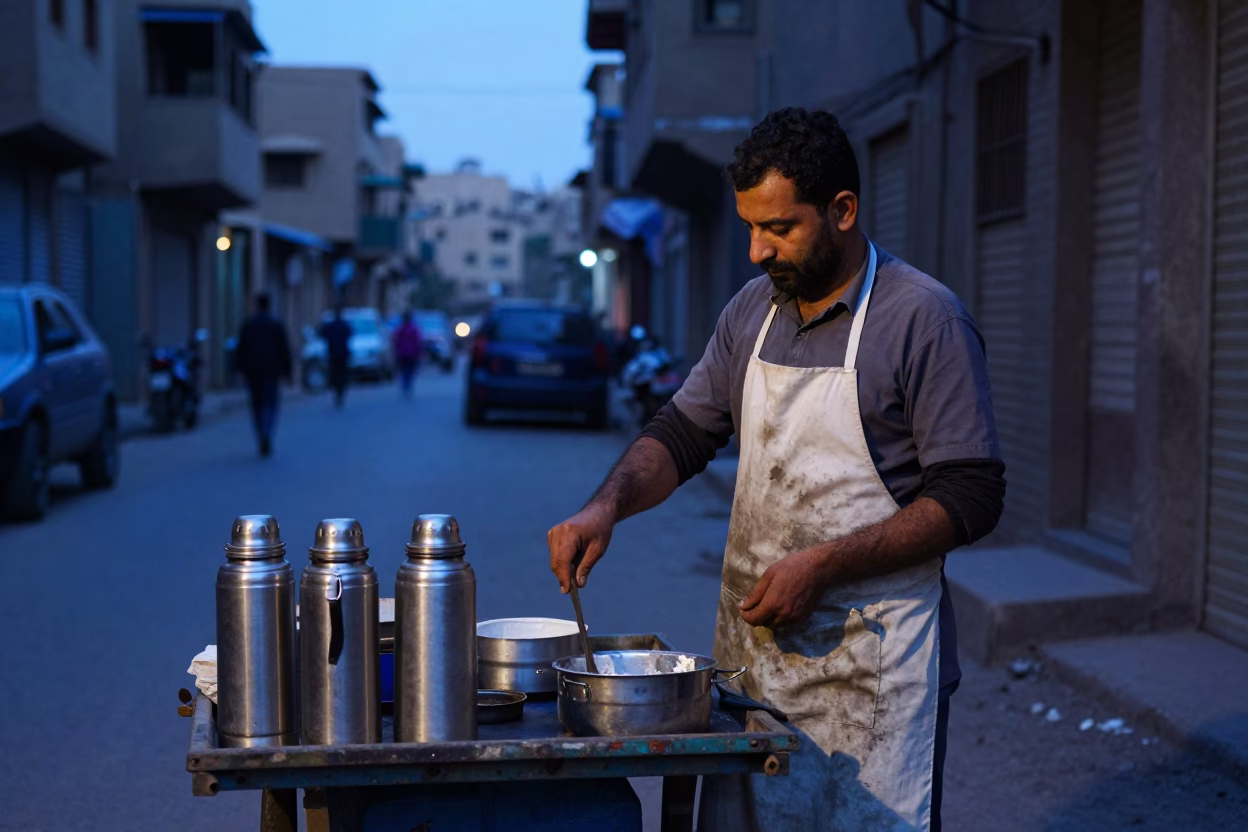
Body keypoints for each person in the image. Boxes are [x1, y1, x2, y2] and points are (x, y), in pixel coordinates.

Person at [547, 108, 1005, 831]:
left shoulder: (925, 320)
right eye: (750, 227)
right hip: (753, 673)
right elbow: (682, 433)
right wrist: (605, 507)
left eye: (780, 228)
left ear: (843, 210)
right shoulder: (751, 313)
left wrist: (823, 565)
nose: (758, 250)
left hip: (876, 675)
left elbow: (973, 494)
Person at [233, 293, 292, 457]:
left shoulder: (249, 324)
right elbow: (284, 349)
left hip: (253, 372)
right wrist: (288, 372)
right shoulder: (276, 325)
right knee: (270, 404)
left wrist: (238, 370)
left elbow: (241, 350)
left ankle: (261, 434)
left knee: (257, 405)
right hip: (271, 372)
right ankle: (267, 432)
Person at [319, 304, 352, 408]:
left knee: (335, 374)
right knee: (341, 374)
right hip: (342, 354)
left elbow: (322, 334)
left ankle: (337, 393)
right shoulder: (344, 325)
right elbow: (350, 334)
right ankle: (340, 393)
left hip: (333, 354)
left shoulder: (330, 326)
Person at [391, 310, 424, 398]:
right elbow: (419, 341)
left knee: (405, 371)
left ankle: (405, 386)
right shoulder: (412, 329)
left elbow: (395, 341)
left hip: (404, 354)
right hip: (411, 354)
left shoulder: (401, 329)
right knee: (409, 371)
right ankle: (407, 386)